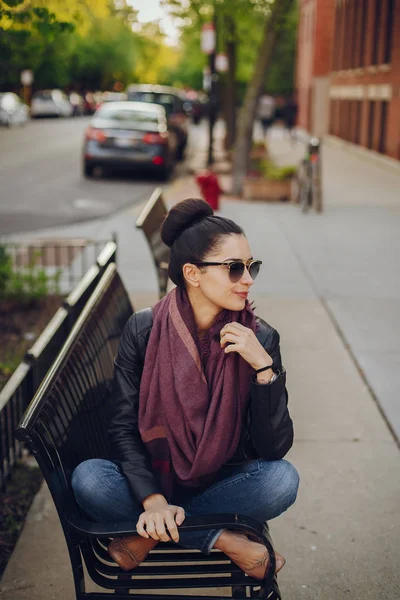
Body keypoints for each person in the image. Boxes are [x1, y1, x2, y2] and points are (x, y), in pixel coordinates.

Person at [71, 198, 299, 580]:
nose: (248, 279)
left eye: (251, 266)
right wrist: (154, 498)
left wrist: (264, 369)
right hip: (151, 479)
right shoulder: (144, 331)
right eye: (234, 268)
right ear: (192, 273)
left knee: (282, 481)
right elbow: (123, 426)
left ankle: (147, 536)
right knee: (89, 480)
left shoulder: (259, 339)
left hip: (222, 483)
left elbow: (272, 449)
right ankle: (223, 539)